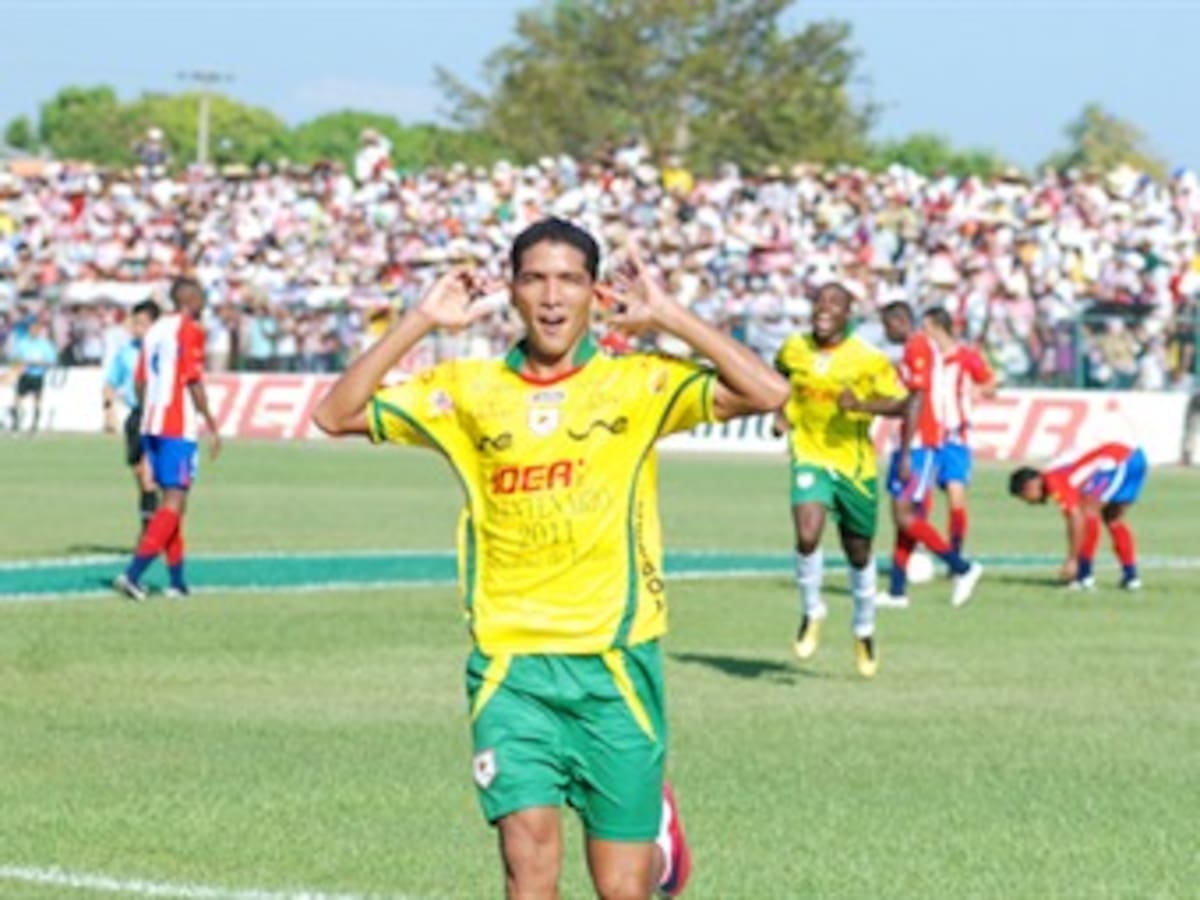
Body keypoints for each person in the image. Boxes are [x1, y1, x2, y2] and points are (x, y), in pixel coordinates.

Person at [313, 217, 788, 899]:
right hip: (511, 667)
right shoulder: (468, 391)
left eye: (570, 279)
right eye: (535, 278)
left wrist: (671, 316)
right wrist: (420, 320)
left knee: (622, 889)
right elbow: (336, 414)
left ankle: (663, 849)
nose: (552, 296)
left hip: (615, 665)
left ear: (596, 292)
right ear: (511, 290)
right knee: (527, 866)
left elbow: (768, 393)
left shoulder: (637, 383)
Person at [773, 278, 908, 679]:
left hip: (855, 466)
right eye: (819, 302)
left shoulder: (868, 358)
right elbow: (777, 378)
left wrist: (863, 404)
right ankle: (812, 610)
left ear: (849, 314)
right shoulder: (794, 347)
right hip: (809, 455)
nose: (824, 309)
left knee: (859, 553)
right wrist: (780, 412)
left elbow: (904, 403)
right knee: (807, 532)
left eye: (834, 303)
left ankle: (864, 628)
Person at [113, 279, 221, 601]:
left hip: (152, 423)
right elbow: (193, 379)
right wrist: (210, 421)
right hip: (177, 424)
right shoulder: (189, 329)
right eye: (201, 296)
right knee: (175, 501)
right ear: (189, 298)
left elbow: (141, 381)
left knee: (172, 504)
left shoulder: (155, 329)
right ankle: (133, 575)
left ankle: (177, 582)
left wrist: (147, 417)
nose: (204, 302)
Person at [876, 301, 983, 609]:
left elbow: (918, 398)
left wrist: (908, 450)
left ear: (899, 321)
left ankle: (962, 567)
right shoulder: (915, 349)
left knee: (905, 513)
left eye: (887, 326)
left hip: (921, 443)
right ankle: (897, 590)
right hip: (913, 442)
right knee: (905, 517)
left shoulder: (918, 347)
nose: (886, 332)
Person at [1008, 442, 1148, 590]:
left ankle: (1084, 575)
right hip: (1133, 457)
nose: (1030, 503)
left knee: (1088, 513)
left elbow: (1074, 516)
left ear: (1029, 486)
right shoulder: (1057, 474)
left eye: (1025, 497)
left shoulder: (1052, 479)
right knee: (1112, 518)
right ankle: (1131, 577)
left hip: (1119, 461)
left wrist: (1072, 559)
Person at [921, 308, 998, 558]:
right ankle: (919, 548)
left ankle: (955, 553)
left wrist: (979, 391)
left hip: (956, 437)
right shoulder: (927, 358)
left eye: (926, 328)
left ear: (937, 328)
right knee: (921, 498)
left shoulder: (966, 357)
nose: (923, 333)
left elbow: (990, 383)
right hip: (928, 435)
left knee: (956, 497)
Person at [103, 301, 161, 532]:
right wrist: (108, 411)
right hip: (136, 416)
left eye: (143, 324)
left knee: (148, 476)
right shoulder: (126, 353)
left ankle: (150, 535)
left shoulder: (165, 353)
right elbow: (110, 383)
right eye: (135, 323)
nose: (137, 328)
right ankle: (150, 523)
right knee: (140, 475)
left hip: (158, 416)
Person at [9, 318, 58, 434]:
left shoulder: (45, 344)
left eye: (36, 329)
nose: (34, 331)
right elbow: (13, 358)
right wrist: (22, 363)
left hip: (37, 375)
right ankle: (15, 423)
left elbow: (52, 361)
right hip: (25, 374)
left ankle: (34, 424)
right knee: (18, 399)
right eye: (32, 329)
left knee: (37, 399)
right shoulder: (22, 343)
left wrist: (41, 363)